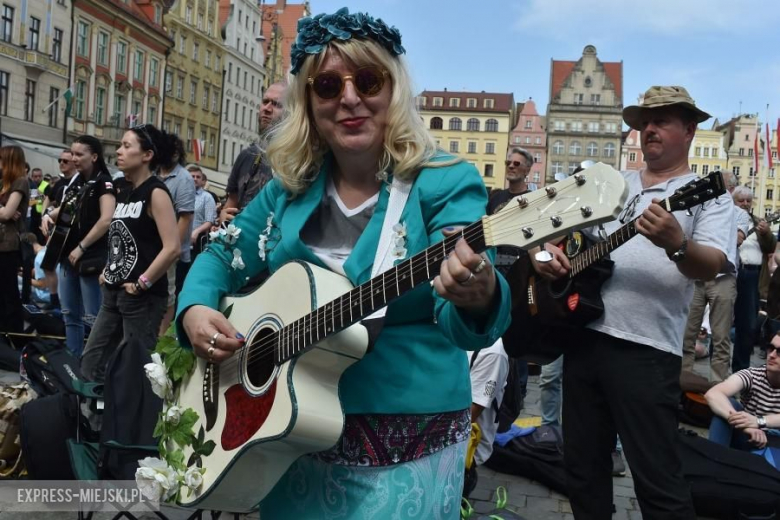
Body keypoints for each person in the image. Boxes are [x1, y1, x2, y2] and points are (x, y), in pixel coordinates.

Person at [176, 8, 511, 519]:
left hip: (401, 441)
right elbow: (223, 252)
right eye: (328, 85)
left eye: (368, 80)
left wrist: (478, 291)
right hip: (291, 435)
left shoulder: (443, 181)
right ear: (309, 103)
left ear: (393, 90)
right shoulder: (288, 192)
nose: (350, 98)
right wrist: (196, 309)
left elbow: (461, 313)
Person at [533, 85, 733, 520]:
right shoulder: (616, 185)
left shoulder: (705, 191)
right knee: (582, 472)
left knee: (657, 482)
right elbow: (563, 235)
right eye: (644, 122)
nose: (649, 129)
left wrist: (677, 244)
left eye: (661, 120)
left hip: (646, 350)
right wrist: (551, 257)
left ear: (690, 128)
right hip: (584, 336)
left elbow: (713, 264)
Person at [81, 125, 179, 383]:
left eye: (127, 146)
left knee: (137, 371)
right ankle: (99, 418)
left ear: (146, 155)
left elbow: (172, 248)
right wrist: (107, 269)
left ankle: (135, 421)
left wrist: (142, 282)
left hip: (142, 299)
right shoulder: (122, 190)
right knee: (91, 363)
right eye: (120, 145)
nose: (119, 151)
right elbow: (119, 236)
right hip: (113, 294)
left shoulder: (156, 193)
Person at [42, 136, 116, 356]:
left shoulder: (104, 182)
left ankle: (95, 366)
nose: (73, 159)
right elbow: (64, 209)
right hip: (67, 257)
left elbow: (106, 219)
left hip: (91, 257)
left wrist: (82, 247)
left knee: (94, 318)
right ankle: (73, 362)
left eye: (79, 154)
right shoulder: (77, 181)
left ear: (94, 156)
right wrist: (48, 216)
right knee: (70, 315)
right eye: (72, 154)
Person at [681, 171, 742, 382]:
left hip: (723, 277)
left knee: (721, 336)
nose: (712, 188)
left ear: (730, 190)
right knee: (688, 332)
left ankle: (718, 384)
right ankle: (684, 378)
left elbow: (740, 236)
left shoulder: (736, 211)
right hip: (697, 278)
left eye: (719, 185)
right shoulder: (699, 206)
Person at [219, 82, 286, 224]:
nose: (267, 108)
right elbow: (232, 202)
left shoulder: (295, 159)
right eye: (265, 102)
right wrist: (224, 216)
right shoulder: (247, 155)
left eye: (276, 104)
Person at [705, 332, 780, 450]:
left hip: (775, 446)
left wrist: (759, 421)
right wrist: (745, 425)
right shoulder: (752, 375)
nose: (772, 355)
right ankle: (714, 460)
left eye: (779, 352)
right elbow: (713, 394)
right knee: (728, 405)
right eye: (771, 348)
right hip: (748, 437)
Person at [732, 186, 776, 372]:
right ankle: (718, 366)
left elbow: (770, 247)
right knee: (721, 321)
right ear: (734, 201)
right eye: (741, 200)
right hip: (732, 272)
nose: (745, 204)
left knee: (747, 323)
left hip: (752, 276)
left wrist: (766, 233)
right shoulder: (726, 219)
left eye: (748, 200)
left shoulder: (758, 222)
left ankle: (741, 367)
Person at [156, 135, 195, 335]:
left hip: (172, 252)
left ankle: (162, 338)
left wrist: (171, 248)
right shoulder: (155, 174)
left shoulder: (184, 178)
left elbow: (185, 218)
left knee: (169, 296)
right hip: (153, 249)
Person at [40, 149, 77, 310]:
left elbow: (66, 206)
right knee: (48, 265)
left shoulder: (77, 182)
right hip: (58, 230)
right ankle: (55, 301)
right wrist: (44, 216)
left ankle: (67, 306)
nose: (61, 163)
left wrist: (48, 214)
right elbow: (49, 198)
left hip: (71, 232)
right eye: (60, 160)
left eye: (65, 161)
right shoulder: (60, 183)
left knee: (67, 270)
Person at [0, 146, 30, 334]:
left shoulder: (20, 181)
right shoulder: (5, 183)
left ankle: (14, 336)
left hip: (8, 245)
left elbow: (7, 214)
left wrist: (5, 212)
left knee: (9, 293)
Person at [187, 165, 217, 260]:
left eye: (198, 177)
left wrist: (196, 231)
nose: (195, 179)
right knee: (179, 272)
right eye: (192, 176)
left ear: (202, 179)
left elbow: (209, 221)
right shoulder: (180, 194)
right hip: (180, 242)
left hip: (197, 242)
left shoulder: (207, 197)